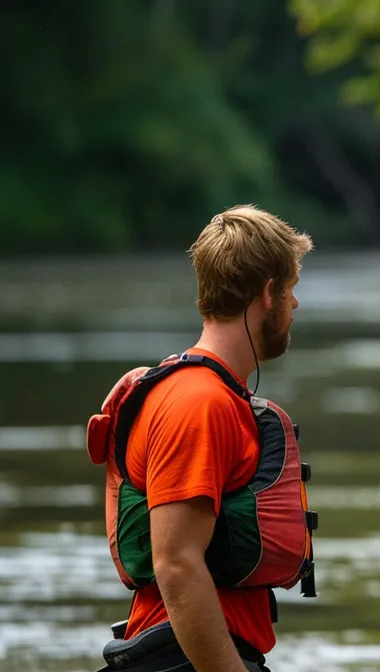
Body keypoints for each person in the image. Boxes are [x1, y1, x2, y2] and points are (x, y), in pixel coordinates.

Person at [86, 205, 316, 672]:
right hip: (182, 659)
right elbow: (177, 564)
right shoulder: (199, 403)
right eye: (291, 289)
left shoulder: (209, 394)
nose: (295, 304)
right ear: (268, 293)